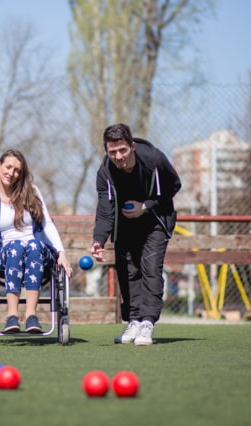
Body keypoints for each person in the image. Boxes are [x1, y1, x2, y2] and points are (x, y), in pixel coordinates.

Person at [0, 139, 72, 333]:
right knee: (16, 246)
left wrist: (61, 252)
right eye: (8, 167)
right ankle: (12, 316)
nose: (11, 173)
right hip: (4, 253)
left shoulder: (32, 192)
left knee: (33, 245)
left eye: (17, 171)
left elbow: (47, 224)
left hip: (37, 252)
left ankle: (31, 316)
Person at [91, 123, 181, 345]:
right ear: (106, 151)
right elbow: (105, 210)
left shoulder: (153, 159)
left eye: (122, 150)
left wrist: (146, 206)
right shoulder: (105, 172)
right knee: (128, 271)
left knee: (150, 268)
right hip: (126, 224)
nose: (118, 156)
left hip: (155, 219)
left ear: (132, 146)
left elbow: (174, 186)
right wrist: (98, 240)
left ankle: (147, 323)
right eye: (112, 152)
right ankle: (134, 321)